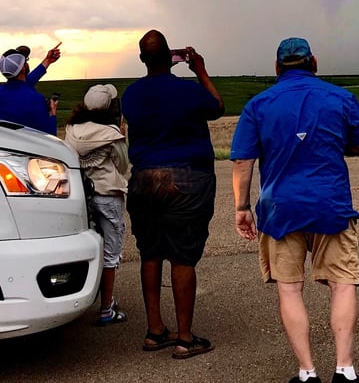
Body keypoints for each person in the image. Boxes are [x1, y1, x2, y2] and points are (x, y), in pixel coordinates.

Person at [231, 37, 359, 383]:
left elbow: (242, 160)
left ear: (277, 67)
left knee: (290, 288)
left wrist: (242, 206)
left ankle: (307, 373)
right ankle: (345, 370)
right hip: (331, 205)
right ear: (314, 62)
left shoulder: (258, 105)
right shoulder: (340, 97)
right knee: (343, 284)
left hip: (279, 210)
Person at [121, 30, 223, 359]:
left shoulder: (131, 95)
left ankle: (154, 330)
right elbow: (217, 107)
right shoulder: (187, 90)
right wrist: (200, 70)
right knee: (182, 256)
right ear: (170, 57)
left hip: (143, 178)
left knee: (150, 253)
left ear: (142, 60)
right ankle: (184, 337)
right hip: (186, 178)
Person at [65, 84, 130, 325]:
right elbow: (123, 166)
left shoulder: (72, 129)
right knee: (111, 252)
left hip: (82, 194)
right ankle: (106, 308)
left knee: (86, 247)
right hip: (107, 194)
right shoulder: (111, 133)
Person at [0, 42, 62, 133]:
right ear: (23, 68)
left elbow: (25, 82)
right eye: (25, 61)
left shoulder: (3, 92)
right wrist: (52, 113)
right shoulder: (35, 99)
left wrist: (48, 60)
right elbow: (50, 136)